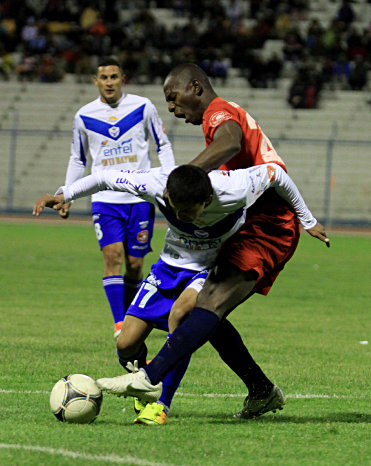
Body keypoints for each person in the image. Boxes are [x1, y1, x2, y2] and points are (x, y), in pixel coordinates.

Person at [91, 63, 330, 420]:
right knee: (205, 312)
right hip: (251, 221)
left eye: (174, 98)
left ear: (197, 87)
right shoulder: (217, 116)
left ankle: (151, 380)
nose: (172, 108)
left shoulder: (218, 114)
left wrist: (186, 179)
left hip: (269, 225)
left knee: (204, 305)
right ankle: (261, 390)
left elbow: (232, 141)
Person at [33, 162, 329, 423]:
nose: (182, 217)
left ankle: (161, 404)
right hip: (168, 266)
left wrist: (307, 219)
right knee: (126, 344)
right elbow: (104, 178)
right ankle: (155, 384)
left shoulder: (235, 188)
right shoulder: (156, 184)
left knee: (182, 315)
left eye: (190, 212)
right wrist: (64, 194)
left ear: (208, 200)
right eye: (176, 209)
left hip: (209, 267)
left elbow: (277, 174)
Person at [60, 57, 175, 338]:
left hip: (138, 197)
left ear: (123, 79)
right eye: (104, 77)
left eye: (114, 77)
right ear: (95, 81)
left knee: (135, 265)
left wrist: (169, 181)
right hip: (104, 198)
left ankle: (130, 315)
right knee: (113, 257)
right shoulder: (84, 115)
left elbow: (163, 144)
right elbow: (78, 158)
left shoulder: (143, 107)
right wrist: (67, 193)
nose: (109, 82)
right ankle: (120, 324)